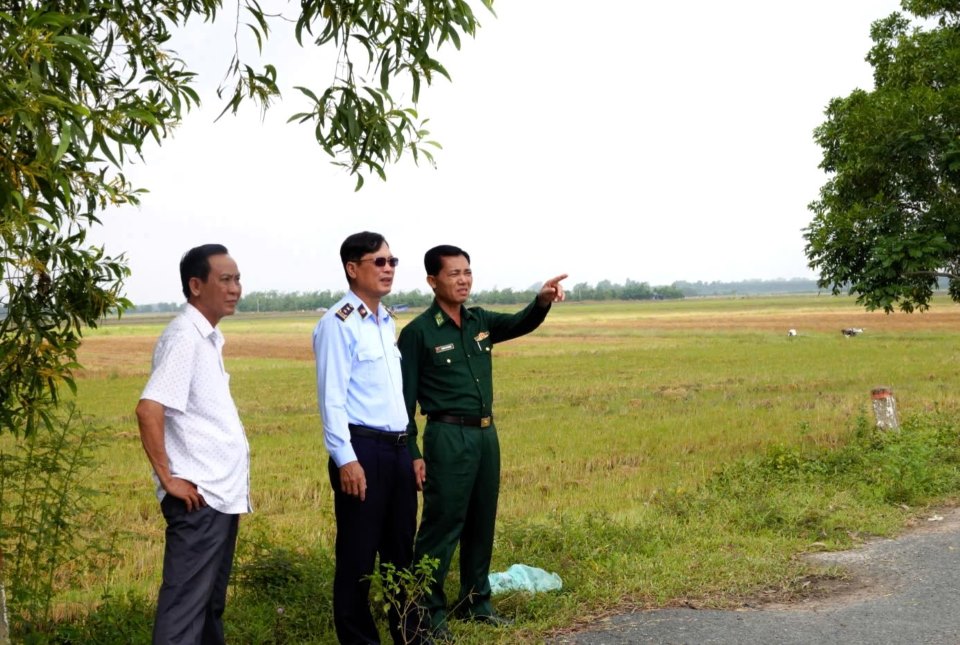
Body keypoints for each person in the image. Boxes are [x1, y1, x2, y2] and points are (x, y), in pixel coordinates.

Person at [397, 244, 567, 637]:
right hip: (447, 436)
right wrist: (412, 451)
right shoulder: (418, 333)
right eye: (454, 273)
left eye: (467, 272)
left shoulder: (480, 321)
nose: (463, 280)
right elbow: (403, 402)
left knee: (481, 520)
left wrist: (541, 301)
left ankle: (476, 601)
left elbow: (521, 323)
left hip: (485, 435)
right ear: (432, 280)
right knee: (443, 524)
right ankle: (425, 611)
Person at [136, 244, 251, 645]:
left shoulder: (207, 337)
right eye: (226, 279)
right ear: (196, 285)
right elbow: (149, 408)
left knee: (206, 609)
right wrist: (168, 478)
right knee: (185, 610)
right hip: (198, 498)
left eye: (237, 279)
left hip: (218, 496)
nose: (235, 287)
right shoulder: (185, 337)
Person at [313, 231, 425, 645]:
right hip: (362, 451)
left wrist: (410, 449)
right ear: (352, 268)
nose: (389, 269)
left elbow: (393, 399)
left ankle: (410, 636)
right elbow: (332, 399)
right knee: (358, 559)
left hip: (395, 450)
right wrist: (346, 459)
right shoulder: (339, 323)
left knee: (401, 553)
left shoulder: (384, 320)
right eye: (379, 262)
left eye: (393, 261)